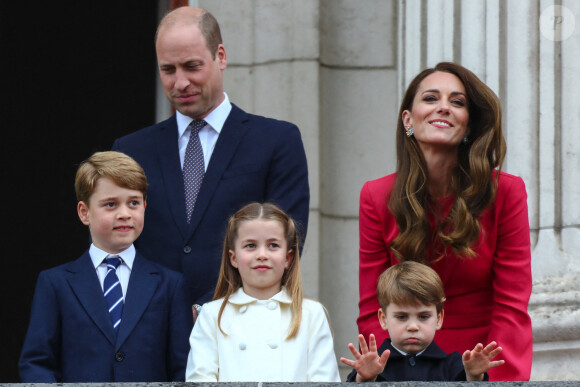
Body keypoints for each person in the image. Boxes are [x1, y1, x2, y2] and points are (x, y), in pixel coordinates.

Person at [112, 6, 309, 307]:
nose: (179, 83)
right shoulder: (130, 151)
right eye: (168, 69)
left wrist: (212, 311)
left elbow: (285, 242)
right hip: (150, 332)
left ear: (220, 56)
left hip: (240, 328)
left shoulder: (276, 141)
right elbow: (111, 246)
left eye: (192, 66)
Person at [357, 62, 532, 381]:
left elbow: (512, 305)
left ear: (468, 125)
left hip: (479, 363)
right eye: (430, 98)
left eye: (457, 102)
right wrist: (385, 376)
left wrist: (494, 380)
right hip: (405, 366)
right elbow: (373, 307)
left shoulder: (505, 192)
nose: (443, 107)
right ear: (408, 120)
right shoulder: (376, 195)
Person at [18, 151, 192, 382]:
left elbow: (183, 368)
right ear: (84, 212)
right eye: (110, 204)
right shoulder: (55, 283)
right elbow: (36, 363)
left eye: (133, 203)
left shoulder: (170, 284)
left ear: (144, 206)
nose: (124, 214)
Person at [185, 202, 340, 382]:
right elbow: (201, 380)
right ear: (233, 258)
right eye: (250, 246)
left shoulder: (311, 314)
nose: (262, 255)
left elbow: (324, 381)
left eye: (273, 245)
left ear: (288, 258)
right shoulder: (212, 315)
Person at [343, 261, 504, 381]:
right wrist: (365, 379)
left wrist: (474, 376)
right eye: (401, 317)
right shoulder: (371, 364)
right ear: (383, 319)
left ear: (439, 319)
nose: (413, 326)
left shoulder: (454, 364)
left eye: (423, 317)